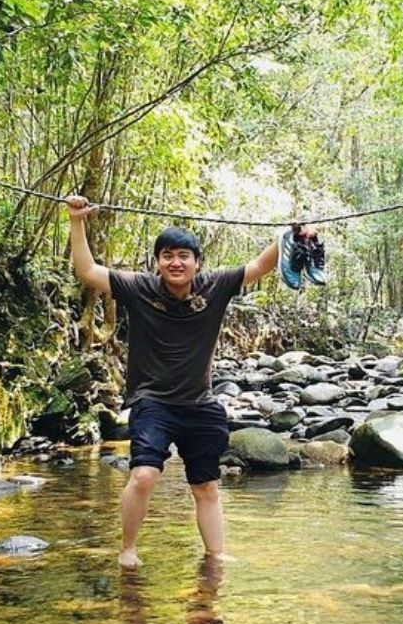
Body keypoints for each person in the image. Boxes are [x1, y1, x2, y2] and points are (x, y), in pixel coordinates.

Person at [66, 194, 317, 568]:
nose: (175, 262)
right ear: (158, 262)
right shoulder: (139, 288)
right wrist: (76, 221)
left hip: (200, 404)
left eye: (184, 256)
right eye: (167, 255)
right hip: (153, 403)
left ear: (198, 263)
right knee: (144, 476)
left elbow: (261, 266)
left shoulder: (214, 286)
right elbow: (87, 271)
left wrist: (290, 235)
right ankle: (128, 550)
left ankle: (214, 557)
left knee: (207, 487)